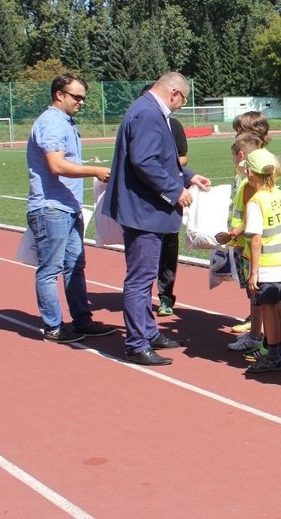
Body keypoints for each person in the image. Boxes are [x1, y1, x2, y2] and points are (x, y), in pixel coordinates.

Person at [101, 72, 211, 366]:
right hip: (144, 214)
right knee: (140, 280)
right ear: (175, 93)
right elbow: (145, 161)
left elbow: (160, 159)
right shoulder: (148, 113)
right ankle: (137, 344)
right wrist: (176, 190)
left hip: (148, 212)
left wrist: (188, 176)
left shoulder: (147, 110)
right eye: (183, 102)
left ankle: (148, 333)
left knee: (146, 276)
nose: (180, 107)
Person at [26, 73, 116, 343]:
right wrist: (95, 170)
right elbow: (56, 165)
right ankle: (53, 326)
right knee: (50, 268)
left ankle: (81, 321)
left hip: (68, 206)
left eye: (83, 98)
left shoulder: (65, 122)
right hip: (51, 207)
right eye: (76, 96)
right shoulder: (52, 123)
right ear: (59, 94)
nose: (81, 102)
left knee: (75, 265)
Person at [238, 148, 281, 373]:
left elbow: (256, 239)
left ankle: (273, 354)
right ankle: (280, 351)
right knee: (278, 307)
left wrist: (253, 272)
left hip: (268, 263)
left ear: (251, 173)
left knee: (269, 309)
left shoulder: (256, 201)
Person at [217, 132, 269, 355]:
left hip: (248, 244)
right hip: (250, 243)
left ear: (240, 156)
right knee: (259, 295)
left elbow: (251, 216)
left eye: (233, 158)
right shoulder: (256, 181)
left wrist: (232, 234)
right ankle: (258, 334)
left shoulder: (250, 183)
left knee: (255, 293)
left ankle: (256, 335)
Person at [155, 116, 188, 317]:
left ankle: (165, 297)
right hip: (143, 203)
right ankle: (139, 299)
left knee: (168, 252)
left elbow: (183, 157)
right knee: (144, 255)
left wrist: (163, 165)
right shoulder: (138, 124)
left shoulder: (174, 125)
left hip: (169, 199)